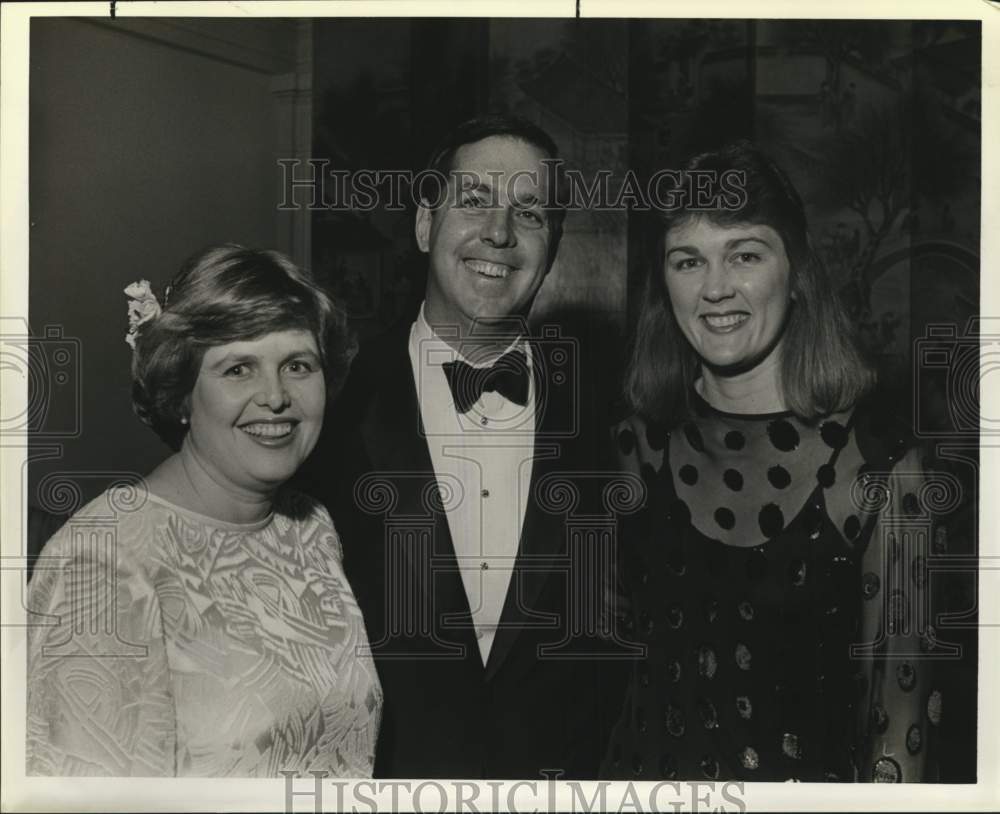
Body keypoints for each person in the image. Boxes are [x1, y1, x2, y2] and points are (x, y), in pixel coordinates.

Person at [602, 142, 942, 782]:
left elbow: (899, 731)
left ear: (797, 275)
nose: (716, 288)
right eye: (688, 260)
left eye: (746, 255)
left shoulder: (881, 468)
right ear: (663, 283)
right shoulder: (628, 447)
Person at [301, 115, 627, 778]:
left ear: (553, 244)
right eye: (475, 202)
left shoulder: (611, 413)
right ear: (425, 225)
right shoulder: (322, 410)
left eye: (530, 213)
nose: (500, 234)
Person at [26, 245, 382, 777]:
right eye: (238, 368)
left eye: (298, 365)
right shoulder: (101, 566)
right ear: (180, 393)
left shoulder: (310, 526)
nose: (277, 397)